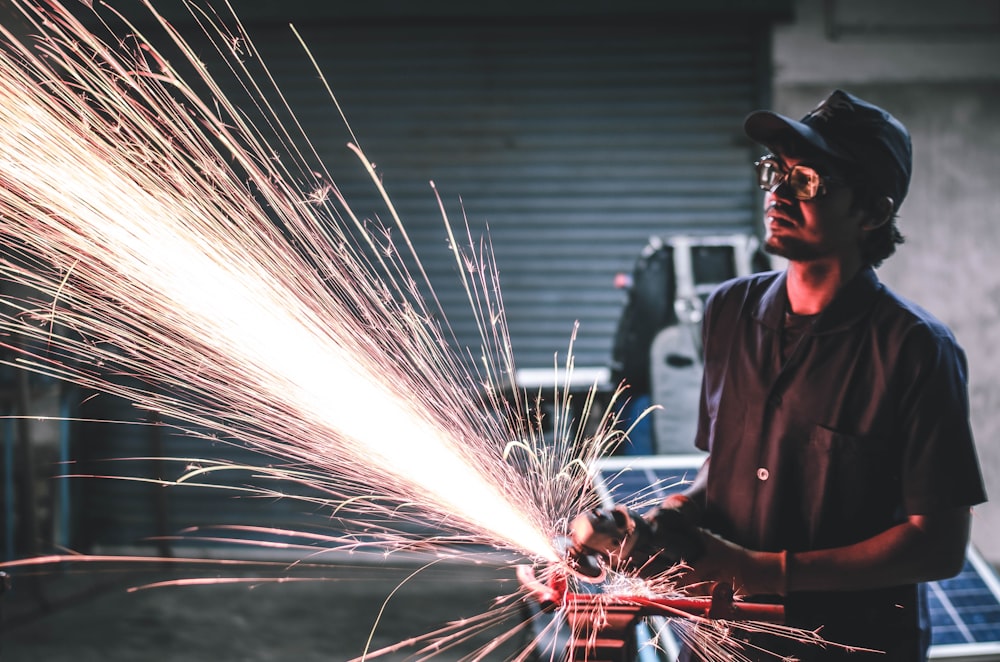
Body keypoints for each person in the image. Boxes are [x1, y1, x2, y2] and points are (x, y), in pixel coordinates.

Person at [649, 89, 987, 661]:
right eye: (775, 172)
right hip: (725, 639)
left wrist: (761, 570)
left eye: (806, 180)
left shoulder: (915, 350)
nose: (777, 193)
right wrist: (677, 514)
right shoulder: (729, 310)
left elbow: (937, 547)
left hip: (849, 646)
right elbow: (725, 463)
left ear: (873, 212)